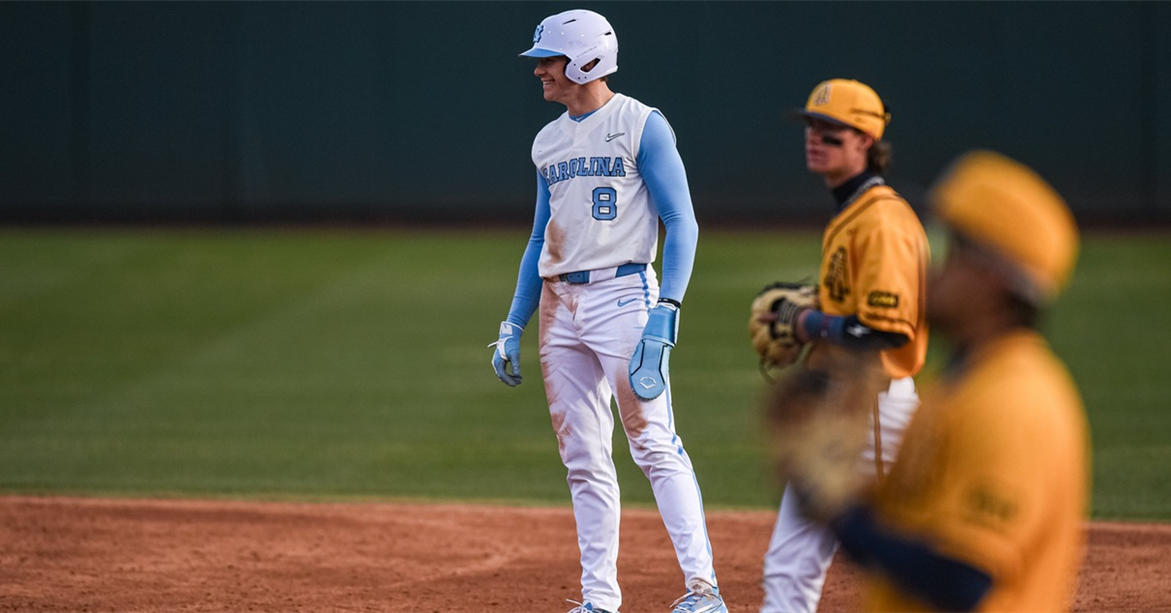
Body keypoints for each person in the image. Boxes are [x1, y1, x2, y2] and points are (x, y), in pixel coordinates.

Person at [490, 9, 726, 613]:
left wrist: (667, 307)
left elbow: (681, 220)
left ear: (587, 60)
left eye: (551, 59)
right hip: (557, 305)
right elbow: (539, 238)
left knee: (653, 443)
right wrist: (514, 322)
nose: (540, 70)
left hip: (625, 296)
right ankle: (599, 600)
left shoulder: (640, 124)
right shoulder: (547, 141)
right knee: (583, 458)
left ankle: (704, 592)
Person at [825, 150, 1089, 612]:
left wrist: (838, 515)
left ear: (992, 279)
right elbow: (900, 526)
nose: (929, 267)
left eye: (950, 249)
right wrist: (833, 487)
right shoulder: (958, 386)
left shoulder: (1013, 403)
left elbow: (961, 578)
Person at [760, 79, 930, 613]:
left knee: (906, 564)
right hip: (850, 406)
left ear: (865, 139)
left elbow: (886, 331)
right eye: (811, 127)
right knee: (791, 564)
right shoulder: (854, 212)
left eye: (831, 131)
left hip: (875, 409)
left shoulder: (880, 220)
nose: (815, 138)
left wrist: (809, 323)